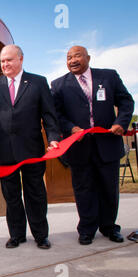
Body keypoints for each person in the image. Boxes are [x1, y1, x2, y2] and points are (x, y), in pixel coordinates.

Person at [51, 46, 134, 245]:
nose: (72, 60)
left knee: (109, 189)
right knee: (83, 189)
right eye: (69, 57)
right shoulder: (59, 85)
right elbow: (56, 114)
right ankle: (87, 229)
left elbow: (126, 101)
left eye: (77, 56)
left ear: (88, 57)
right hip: (79, 148)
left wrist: (121, 123)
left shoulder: (108, 77)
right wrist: (71, 129)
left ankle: (109, 227)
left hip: (107, 144)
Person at [0, 44, 60, 250]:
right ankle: (16, 235)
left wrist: (53, 137)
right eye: (2, 61)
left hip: (32, 150)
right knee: (11, 196)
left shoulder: (38, 82)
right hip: (3, 152)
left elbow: (49, 115)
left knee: (36, 194)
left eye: (9, 59)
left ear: (21, 59)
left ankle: (41, 235)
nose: (5, 64)